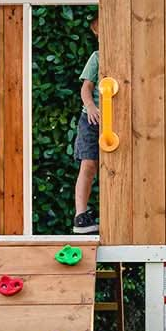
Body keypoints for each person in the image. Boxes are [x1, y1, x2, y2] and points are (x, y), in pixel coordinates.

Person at [71, 13, 101, 234]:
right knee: (88, 165)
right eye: (99, 33)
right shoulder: (97, 57)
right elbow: (86, 88)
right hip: (92, 119)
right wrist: (91, 106)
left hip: (117, 120)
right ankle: (80, 215)